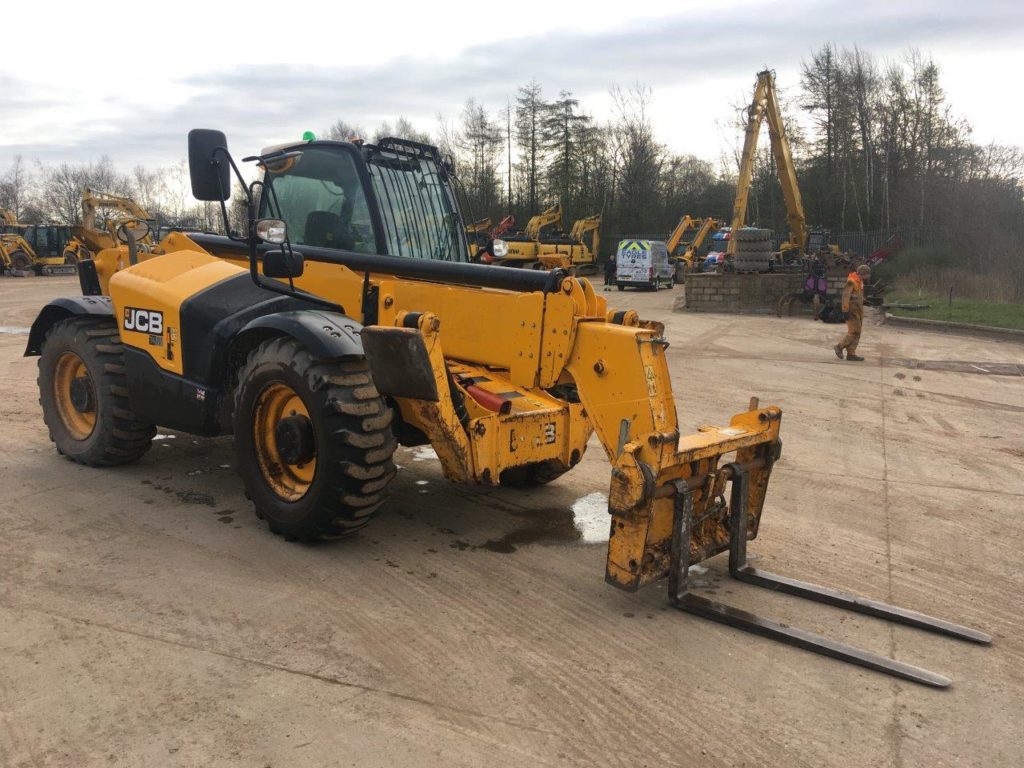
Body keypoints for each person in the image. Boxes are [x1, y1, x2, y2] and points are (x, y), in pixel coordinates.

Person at [834, 264, 871, 361]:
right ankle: (839, 346)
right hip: (851, 311)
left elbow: (857, 295)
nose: (869, 276)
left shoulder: (860, 281)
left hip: (858, 310)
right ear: (863, 273)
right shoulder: (851, 281)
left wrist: (864, 301)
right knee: (854, 332)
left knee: (857, 333)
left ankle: (851, 353)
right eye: (868, 274)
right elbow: (845, 296)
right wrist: (845, 310)